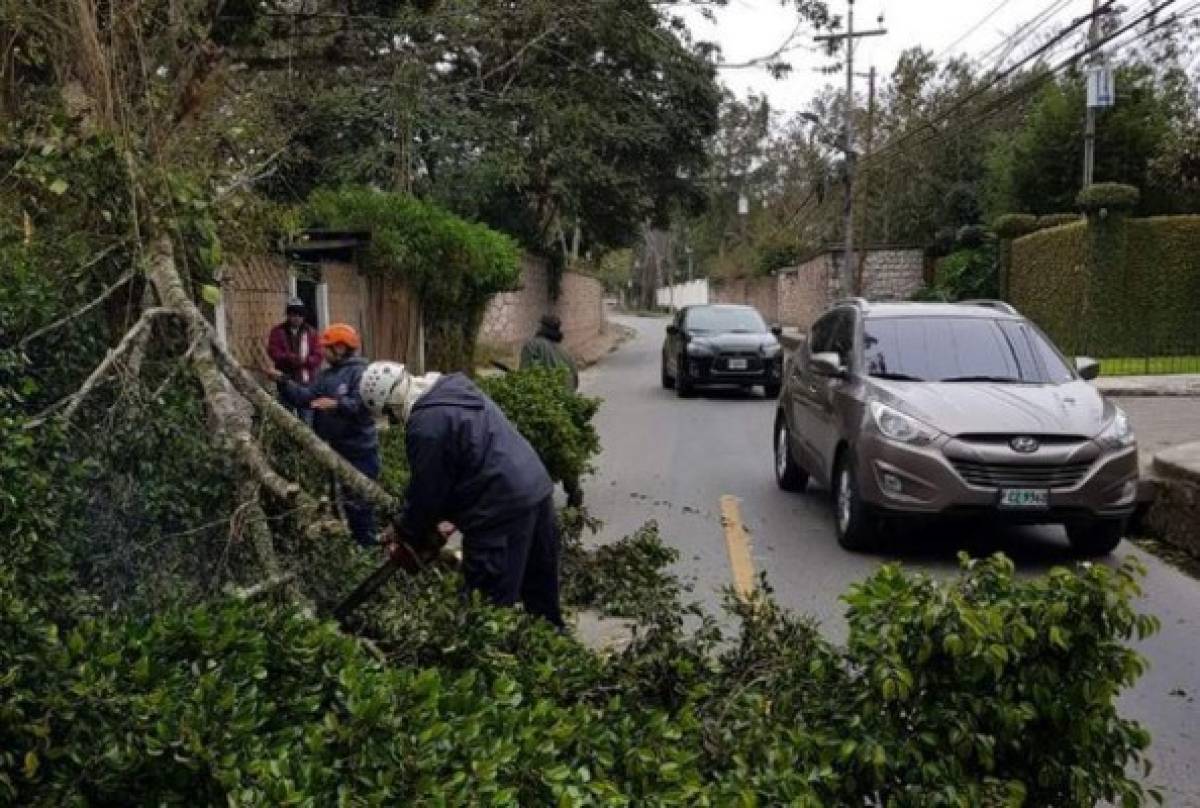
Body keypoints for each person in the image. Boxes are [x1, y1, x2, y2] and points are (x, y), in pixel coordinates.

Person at [359, 361, 564, 628]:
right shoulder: (456, 390)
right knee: (541, 595)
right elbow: (464, 462)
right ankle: (555, 648)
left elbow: (428, 491)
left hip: (498, 510)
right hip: (535, 489)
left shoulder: (426, 425)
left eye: (391, 415)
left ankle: (486, 663)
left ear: (391, 402)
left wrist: (406, 531)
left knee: (485, 609)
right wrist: (445, 518)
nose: (396, 422)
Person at [270, 324, 379, 547]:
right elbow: (304, 397)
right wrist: (283, 382)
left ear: (340, 347)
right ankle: (347, 548)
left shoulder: (363, 373)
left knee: (360, 505)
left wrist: (337, 405)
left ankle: (367, 548)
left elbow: (363, 406)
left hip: (360, 453)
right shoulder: (325, 376)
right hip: (333, 451)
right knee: (338, 502)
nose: (323, 352)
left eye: (327, 347)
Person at [519, 314, 584, 507]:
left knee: (533, 450)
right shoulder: (566, 354)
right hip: (566, 409)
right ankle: (573, 491)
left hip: (540, 406)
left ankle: (536, 494)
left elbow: (526, 377)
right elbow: (575, 381)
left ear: (540, 327)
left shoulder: (532, 346)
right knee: (564, 450)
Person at [520, 314, 578, 391]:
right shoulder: (566, 351)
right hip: (565, 399)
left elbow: (524, 374)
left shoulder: (532, 345)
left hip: (542, 397)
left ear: (542, 327)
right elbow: (575, 380)